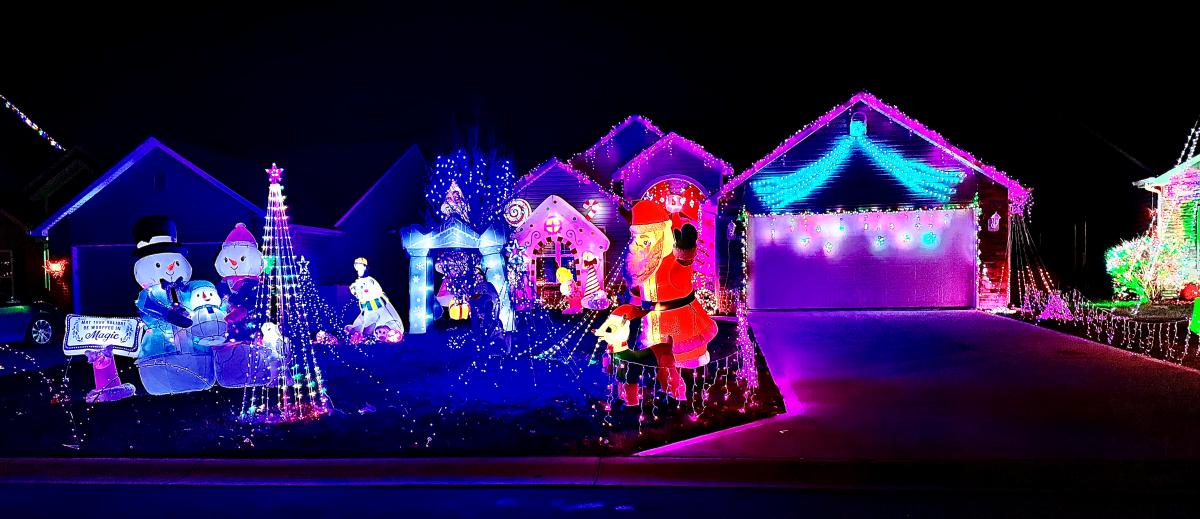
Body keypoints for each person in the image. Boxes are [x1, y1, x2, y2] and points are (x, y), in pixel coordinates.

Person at [346, 257, 405, 342]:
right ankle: (357, 331)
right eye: (357, 266)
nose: (358, 268)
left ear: (365, 266)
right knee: (363, 319)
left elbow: (374, 292)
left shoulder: (370, 281)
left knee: (370, 321)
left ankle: (364, 334)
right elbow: (357, 292)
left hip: (376, 307)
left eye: (360, 266)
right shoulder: (358, 282)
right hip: (367, 308)